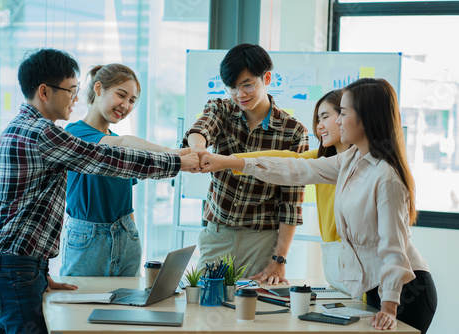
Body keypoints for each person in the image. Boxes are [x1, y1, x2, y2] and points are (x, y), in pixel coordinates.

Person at [0, 48, 199, 334]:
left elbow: (8, 216)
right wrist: (177, 161)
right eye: (70, 90)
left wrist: (39, 273)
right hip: (15, 270)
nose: (75, 98)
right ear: (45, 92)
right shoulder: (43, 133)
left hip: (9, 267)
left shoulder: (19, 129)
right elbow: (105, 158)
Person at [200, 78, 437, 332]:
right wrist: (231, 162)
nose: (335, 122)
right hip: (378, 290)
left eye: (342, 113)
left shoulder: (387, 177)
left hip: (404, 292)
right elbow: (296, 167)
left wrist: (389, 306)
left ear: (366, 118)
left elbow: (394, 249)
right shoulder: (351, 160)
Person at [182, 43, 309, 284]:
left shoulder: (293, 132)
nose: (240, 94)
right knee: (206, 307)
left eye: (247, 84)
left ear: (267, 78)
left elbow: (291, 202)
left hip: (261, 241)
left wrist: (279, 259)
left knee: (254, 312)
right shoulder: (221, 108)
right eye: (232, 87)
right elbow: (202, 128)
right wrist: (198, 149)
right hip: (217, 234)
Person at [60, 64, 189, 277]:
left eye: (132, 101)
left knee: (126, 304)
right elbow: (120, 143)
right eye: (122, 95)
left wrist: (132, 238)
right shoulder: (75, 134)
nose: (126, 105)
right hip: (88, 237)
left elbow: (126, 204)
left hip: (126, 233)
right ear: (99, 89)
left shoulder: (121, 145)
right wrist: (171, 153)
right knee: (79, 305)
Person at [232, 89, 350, 293]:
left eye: (325, 117)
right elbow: (288, 159)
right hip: (339, 272)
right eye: (317, 119)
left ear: (346, 116)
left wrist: (227, 161)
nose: (319, 126)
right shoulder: (323, 158)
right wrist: (229, 161)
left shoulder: (362, 164)